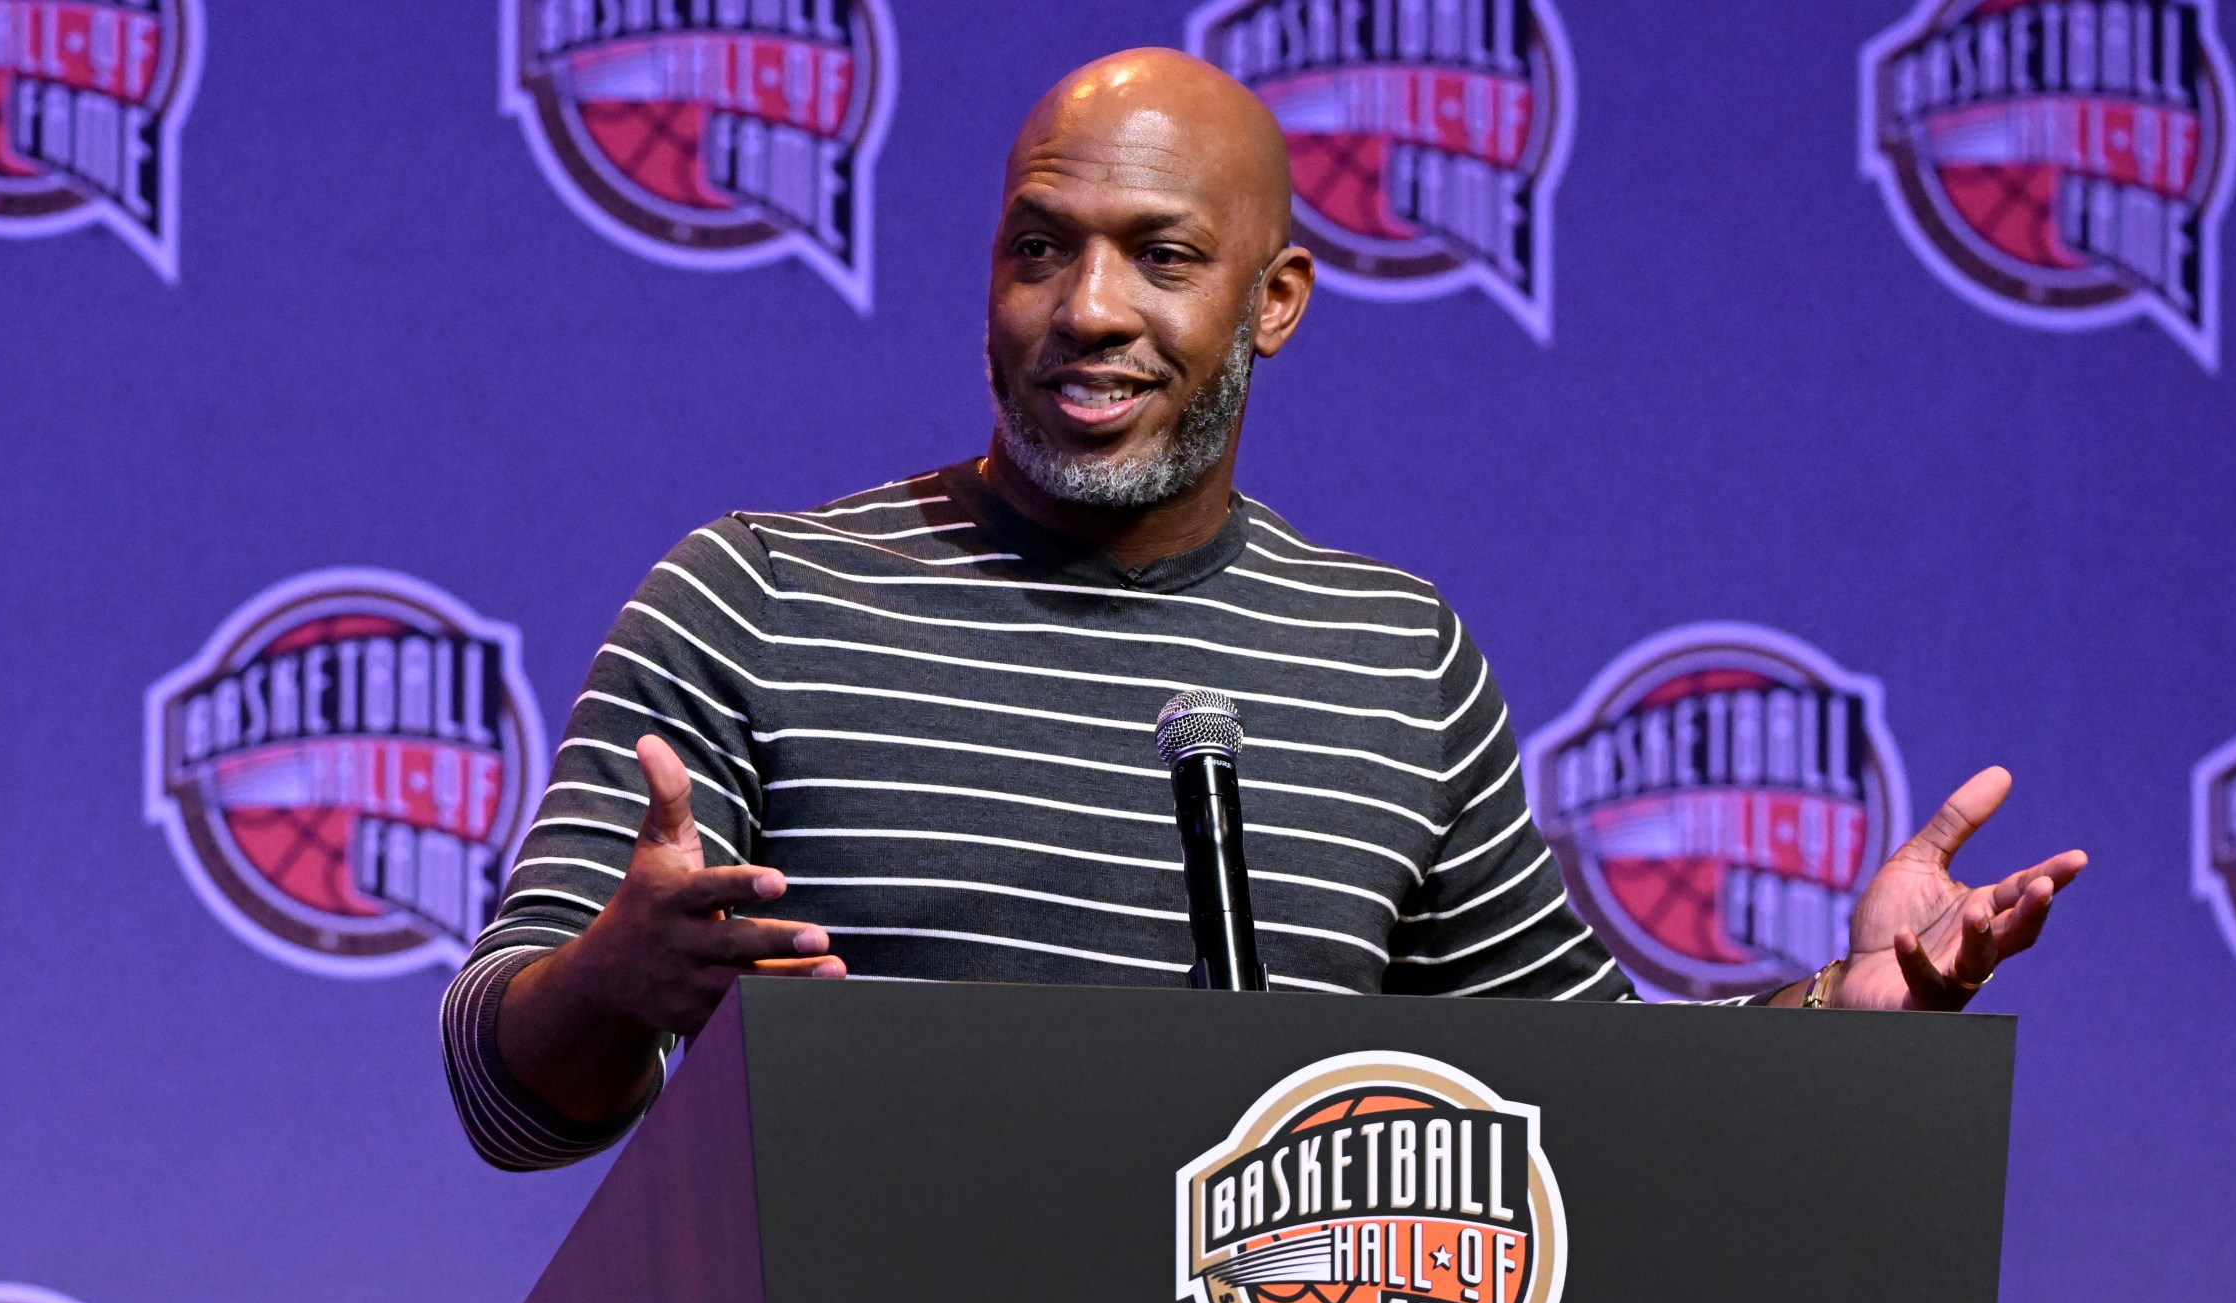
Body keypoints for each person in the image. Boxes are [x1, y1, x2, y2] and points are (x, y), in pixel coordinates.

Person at [441, 49, 2087, 1171]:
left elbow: (1578, 1094)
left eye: (1160, 257)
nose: (1086, 312)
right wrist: (613, 977)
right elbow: (500, 1092)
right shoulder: (759, 599)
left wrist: (1836, 1010)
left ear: (1274, 301)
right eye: (1038, 250)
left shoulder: (1391, 658)